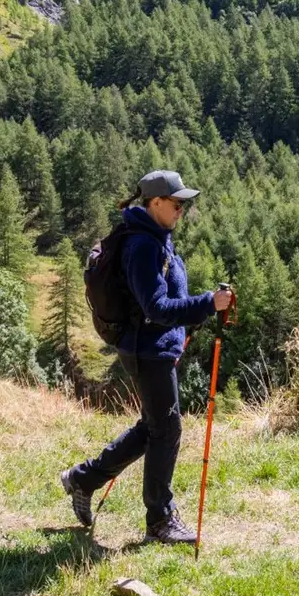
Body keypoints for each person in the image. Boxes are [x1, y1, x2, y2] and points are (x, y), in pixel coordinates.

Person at [62, 169, 233, 544]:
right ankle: (160, 519)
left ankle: (82, 479)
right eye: (176, 204)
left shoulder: (157, 237)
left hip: (154, 347)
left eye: (183, 205)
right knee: (167, 430)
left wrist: (190, 321)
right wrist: (207, 303)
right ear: (155, 202)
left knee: (153, 428)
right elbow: (155, 307)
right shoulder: (144, 245)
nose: (181, 211)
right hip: (146, 350)